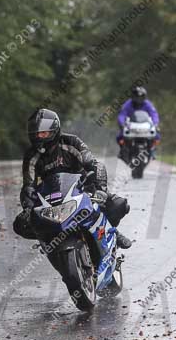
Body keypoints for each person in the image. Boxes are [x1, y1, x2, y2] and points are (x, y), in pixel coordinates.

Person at [13, 109, 133, 249]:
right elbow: (28, 185)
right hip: (49, 200)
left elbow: (94, 164)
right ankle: (47, 241)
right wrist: (28, 208)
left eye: (44, 133)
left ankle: (112, 232)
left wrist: (101, 189)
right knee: (20, 224)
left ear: (54, 130)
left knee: (119, 205)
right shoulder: (31, 156)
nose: (40, 137)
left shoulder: (71, 142)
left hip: (82, 190)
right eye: (36, 134)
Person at [117, 86, 160, 159]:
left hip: (145, 125)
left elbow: (154, 114)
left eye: (141, 97)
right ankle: (122, 150)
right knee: (119, 137)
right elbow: (122, 115)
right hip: (131, 125)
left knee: (157, 136)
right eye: (136, 97)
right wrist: (122, 124)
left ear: (144, 97)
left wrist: (155, 123)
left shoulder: (148, 104)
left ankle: (152, 150)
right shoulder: (128, 104)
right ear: (133, 97)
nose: (138, 99)